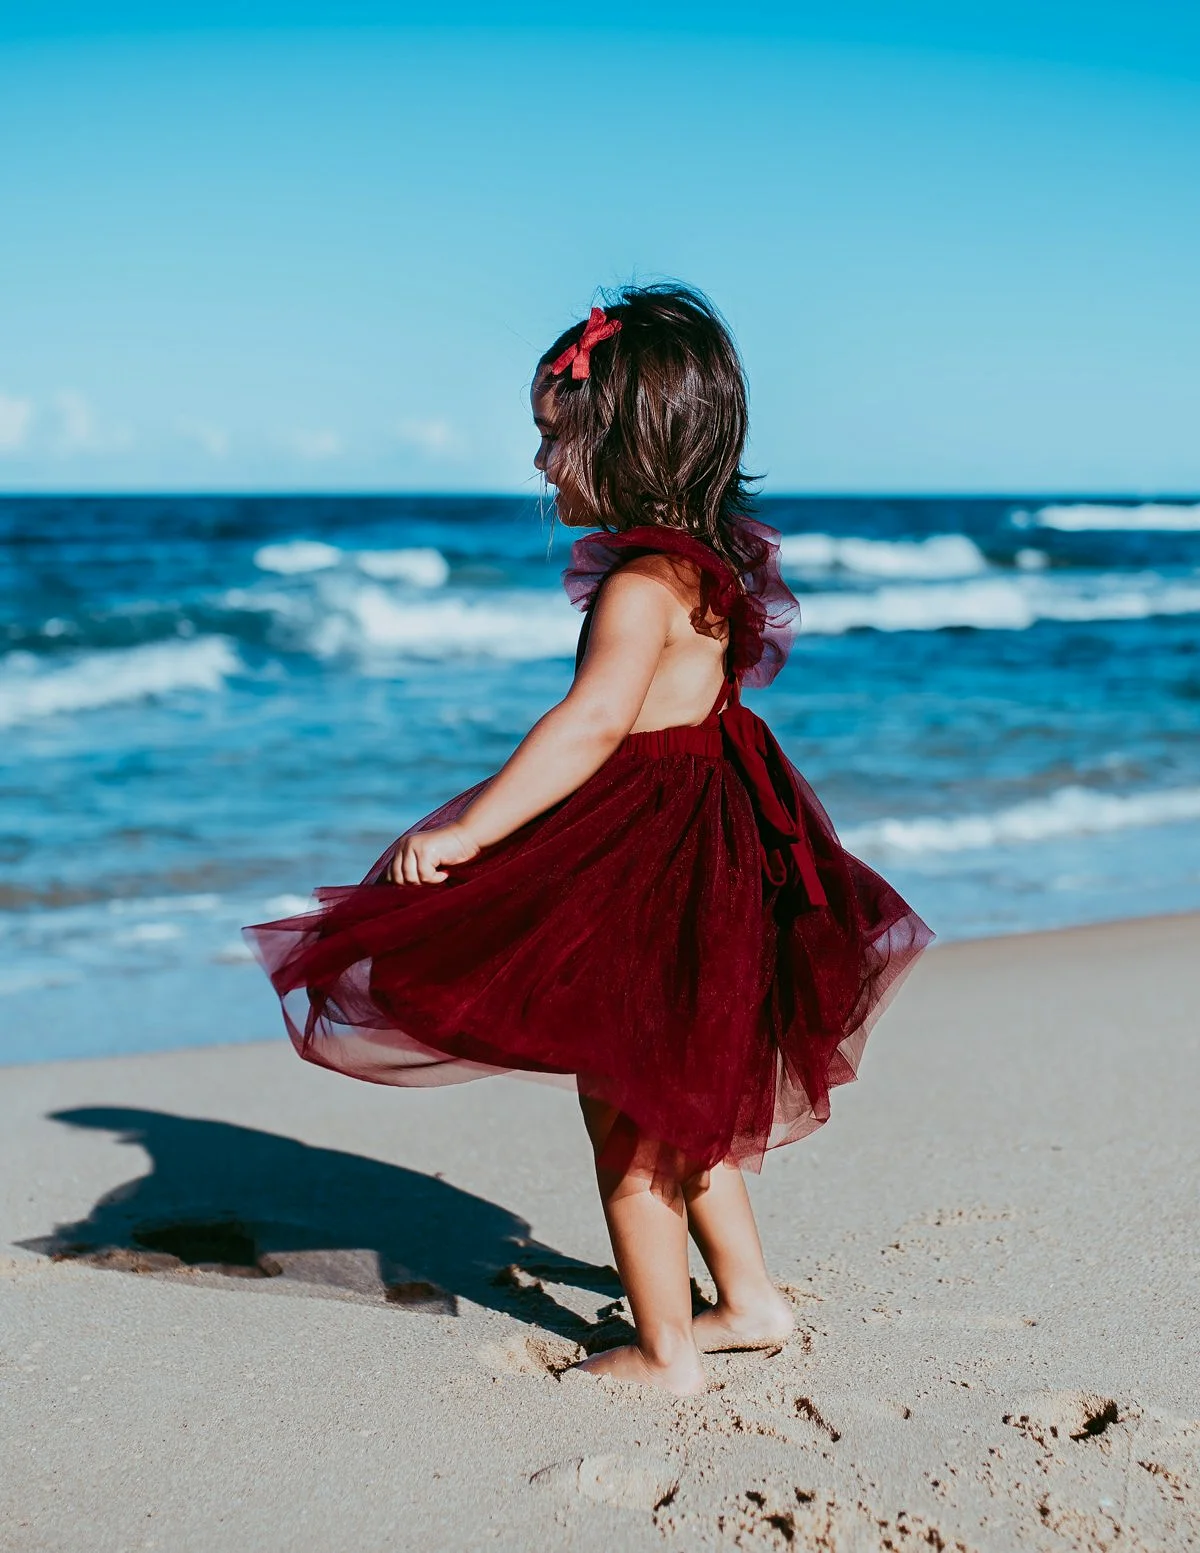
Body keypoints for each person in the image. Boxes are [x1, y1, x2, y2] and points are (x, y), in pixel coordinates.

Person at [245, 283, 933, 1395]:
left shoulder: (634, 587)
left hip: (650, 866)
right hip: (716, 850)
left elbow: (591, 724)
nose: (538, 468)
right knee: (685, 1096)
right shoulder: (709, 571)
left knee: (626, 1118)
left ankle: (666, 1351)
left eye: (550, 441)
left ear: (623, 447)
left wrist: (473, 827)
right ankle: (749, 1300)